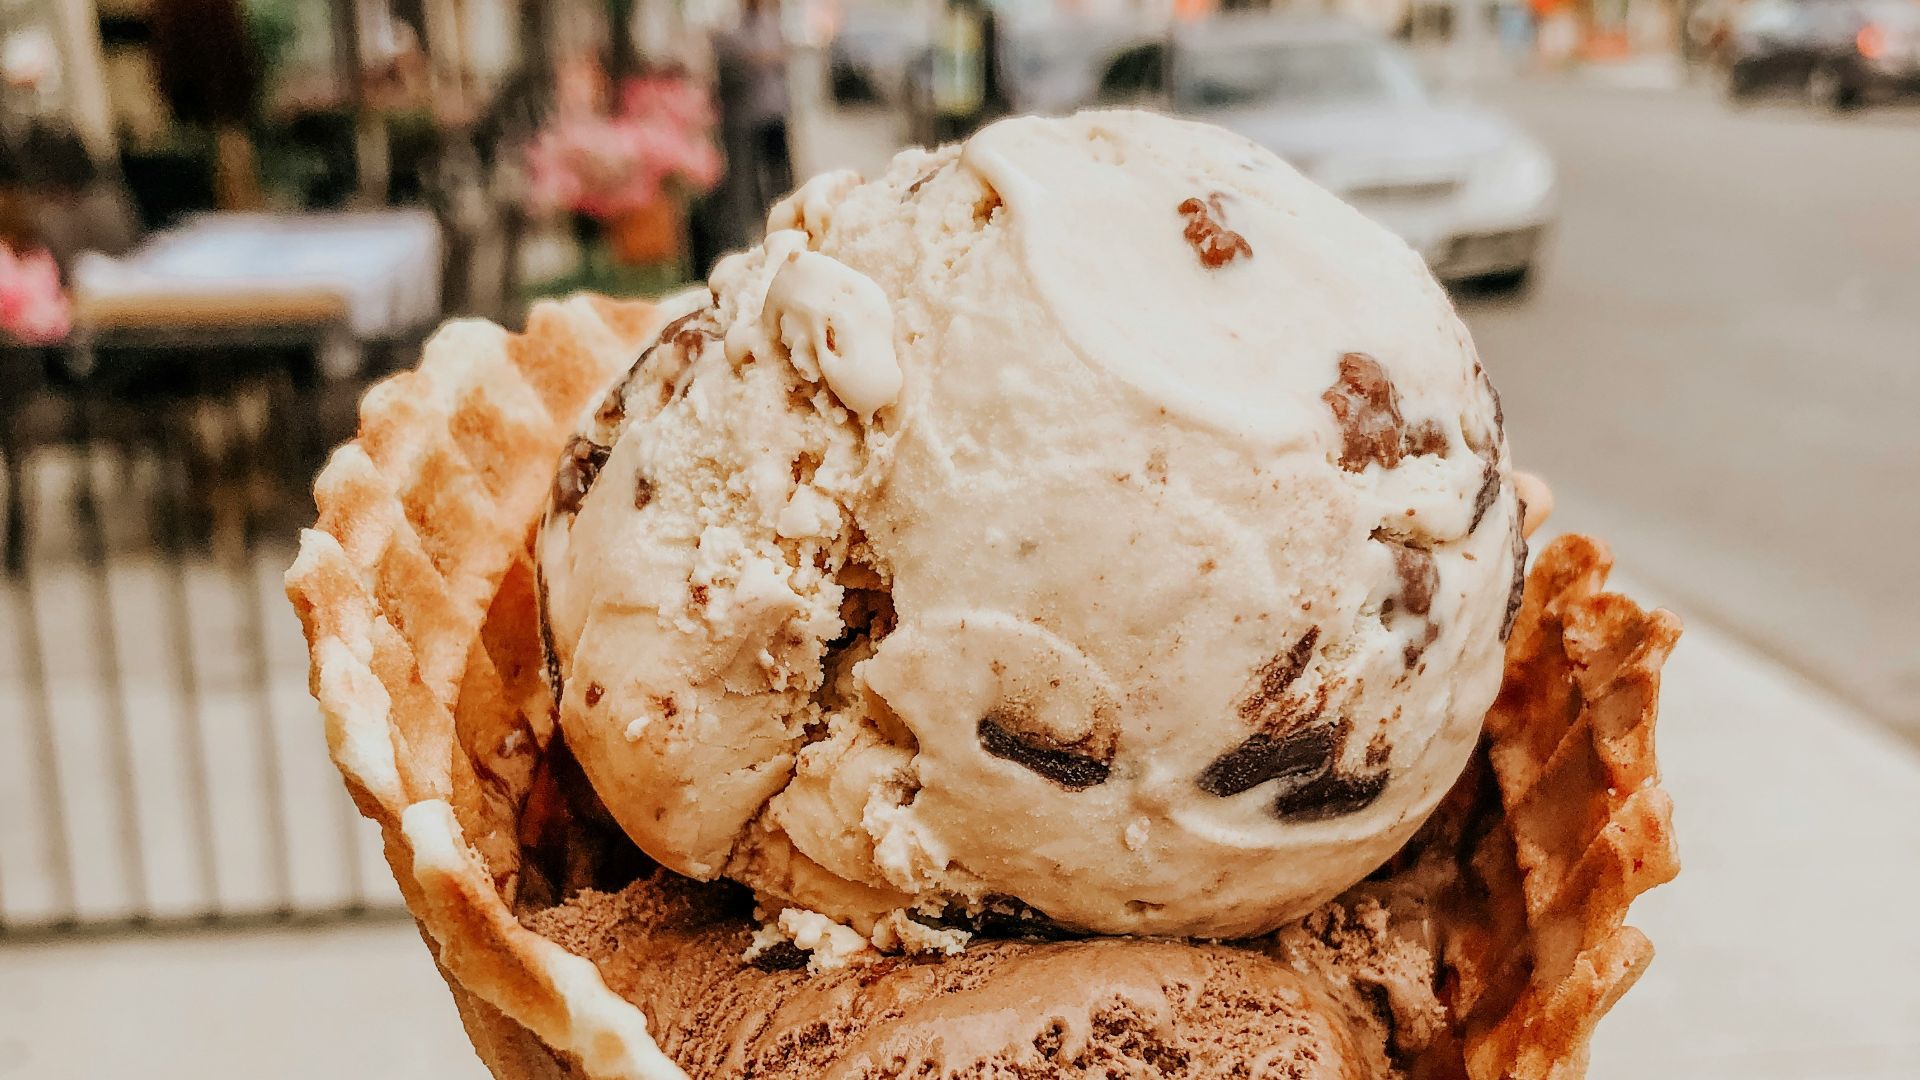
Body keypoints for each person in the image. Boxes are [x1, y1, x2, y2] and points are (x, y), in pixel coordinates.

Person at [713, 0, 792, 251]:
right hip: (745, 117)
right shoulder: (733, 25)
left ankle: (782, 228)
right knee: (746, 181)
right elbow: (728, 55)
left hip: (773, 113)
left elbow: (780, 56)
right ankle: (747, 236)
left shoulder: (773, 23)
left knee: (779, 177)